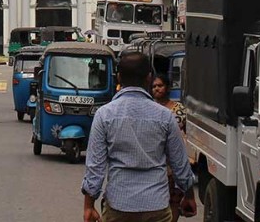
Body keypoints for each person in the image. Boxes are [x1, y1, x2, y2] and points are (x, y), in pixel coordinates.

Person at [81, 51, 196, 222]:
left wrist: (89, 206)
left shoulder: (104, 115)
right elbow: (180, 163)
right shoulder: (165, 116)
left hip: (119, 206)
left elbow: (95, 167)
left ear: (119, 78)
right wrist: (189, 195)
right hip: (156, 206)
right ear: (149, 78)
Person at [152, 74, 189, 220]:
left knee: (174, 200)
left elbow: (187, 133)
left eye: (160, 86)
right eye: (154, 86)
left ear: (167, 88)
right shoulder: (149, 108)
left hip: (174, 163)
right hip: (156, 162)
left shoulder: (179, 109)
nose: (157, 89)